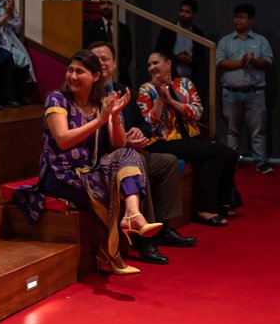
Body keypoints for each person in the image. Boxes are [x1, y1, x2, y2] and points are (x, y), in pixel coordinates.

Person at [39, 50, 160, 275]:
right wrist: (100, 120)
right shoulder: (57, 99)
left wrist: (114, 117)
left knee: (130, 155)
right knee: (111, 185)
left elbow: (119, 144)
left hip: (90, 171)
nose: (73, 76)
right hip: (60, 174)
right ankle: (111, 253)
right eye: (70, 70)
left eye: (80, 72)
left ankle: (132, 214)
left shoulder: (99, 104)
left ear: (95, 76)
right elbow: (63, 140)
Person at [90, 42, 195, 264]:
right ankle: (144, 239)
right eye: (96, 58)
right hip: (110, 158)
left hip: (134, 150)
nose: (101, 63)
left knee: (168, 162)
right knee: (139, 164)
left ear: (115, 63)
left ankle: (164, 227)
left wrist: (139, 131)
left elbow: (145, 125)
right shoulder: (89, 94)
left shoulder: (122, 89)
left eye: (105, 58)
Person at [138, 50, 239, 226]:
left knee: (229, 153)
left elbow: (198, 112)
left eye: (155, 63)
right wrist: (160, 99)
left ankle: (222, 201)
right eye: (149, 65)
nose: (152, 67)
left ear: (168, 64)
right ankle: (205, 208)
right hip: (163, 141)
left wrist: (173, 102)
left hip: (191, 136)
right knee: (215, 152)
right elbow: (149, 125)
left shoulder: (184, 83)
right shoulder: (146, 89)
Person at [217, 3, 274, 174]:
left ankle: (261, 162)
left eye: (241, 17)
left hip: (255, 92)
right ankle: (231, 161)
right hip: (231, 92)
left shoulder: (261, 41)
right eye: (235, 17)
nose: (237, 20)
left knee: (258, 130)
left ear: (250, 20)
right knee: (231, 129)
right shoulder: (225, 41)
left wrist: (254, 61)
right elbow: (219, 61)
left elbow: (269, 61)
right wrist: (241, 63)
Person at [83, 0, 134, 89]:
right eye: (103, 3)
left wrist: (115, 69)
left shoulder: (124, 29)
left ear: (116, 5)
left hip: (122, 76)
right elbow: (87, 51)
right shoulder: (90, 27)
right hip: (97, 75)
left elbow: (127, 55)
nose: (106, 6)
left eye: (109, 3)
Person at [154, 0, 206, 83]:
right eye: (181, 11)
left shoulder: (198, 33)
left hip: (190, 80)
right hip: (170, 78)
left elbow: (201, 57)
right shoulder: (168, 29)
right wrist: (176, 57)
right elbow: (159, 52)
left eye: (187, 12)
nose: (183, 14)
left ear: (194, 14)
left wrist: (190, 60)